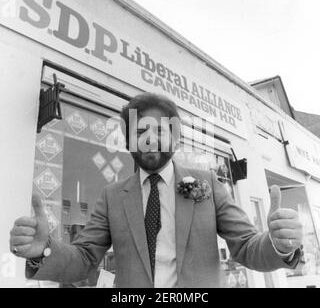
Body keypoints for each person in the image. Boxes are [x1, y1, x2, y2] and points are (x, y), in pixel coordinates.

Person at [9, 92, 303, 288]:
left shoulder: (208, 184)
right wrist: (42, 252)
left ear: (174, 139)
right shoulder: (112, 197)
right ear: (128, 142)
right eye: (140, 131)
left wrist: (278, 244)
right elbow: (85, 259)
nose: (150, 139)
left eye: (160, 131)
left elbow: (247, 246)